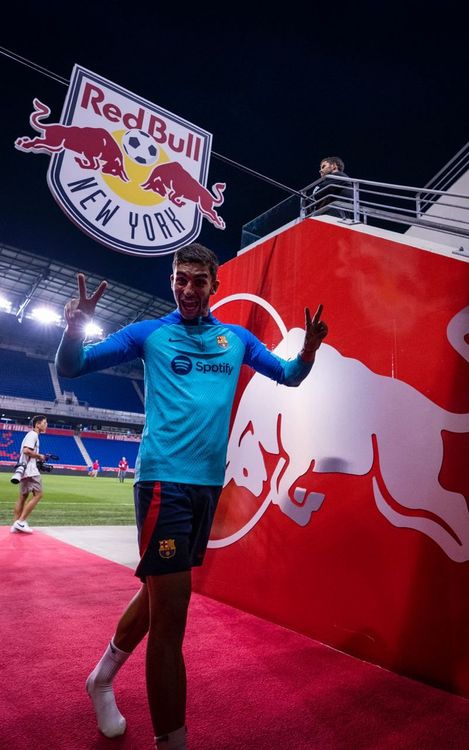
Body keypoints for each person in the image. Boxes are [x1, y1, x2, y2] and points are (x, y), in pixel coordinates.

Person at [55, 242, 328, 750]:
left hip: (206, 488)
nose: (188, 289)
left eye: (198, 280)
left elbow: (288, 376)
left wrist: (308, 350)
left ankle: (100, 678)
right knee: (171, 622)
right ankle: (172, 741)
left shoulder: (237, 340)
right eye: (180, 278)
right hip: (162, 483)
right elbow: (73, 367)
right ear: (172, 281)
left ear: (214, 287)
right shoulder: (148, 335)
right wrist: (73, 328)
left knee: (158, 595)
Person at [11, 415, 47, 534]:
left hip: (24, 469)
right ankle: (21, 521)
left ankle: (15, 524)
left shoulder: (31, 435)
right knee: (38, 494)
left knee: (23, 497)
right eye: (44, 423)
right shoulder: (33, 435)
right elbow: (26, 450)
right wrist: (39, 456)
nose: (46, 425)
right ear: (37, 424)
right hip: (30, 470)